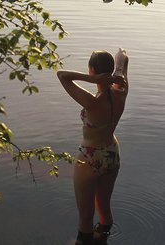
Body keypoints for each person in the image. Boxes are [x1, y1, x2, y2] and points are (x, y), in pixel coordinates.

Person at [56, 49, 129, 245]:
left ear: (92, 71)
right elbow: (122, 56)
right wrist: (117, 73)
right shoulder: (121, 91)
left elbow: (62, 75)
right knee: (104, 207)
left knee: (86, 215)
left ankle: (84, 241)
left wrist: (94, 79)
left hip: (90, 158)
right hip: (112, 153)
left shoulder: (92, 101)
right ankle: (102, 238)